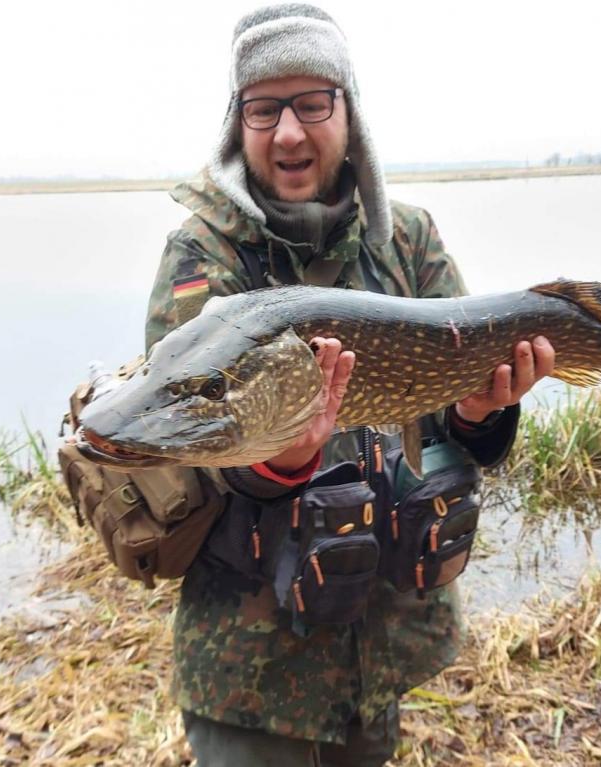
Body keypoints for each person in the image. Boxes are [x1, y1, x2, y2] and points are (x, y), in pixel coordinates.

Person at [139, 4, 555, 765]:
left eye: (311, 103)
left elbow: (455, 432)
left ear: (348, 112)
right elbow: (184, 438)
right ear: (238, 122)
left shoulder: (408, 240)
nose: (288, 133)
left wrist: (477, 411)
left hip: (381, 637)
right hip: (253, 665)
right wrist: (282, 460)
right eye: (264, 108)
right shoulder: (204, 255)